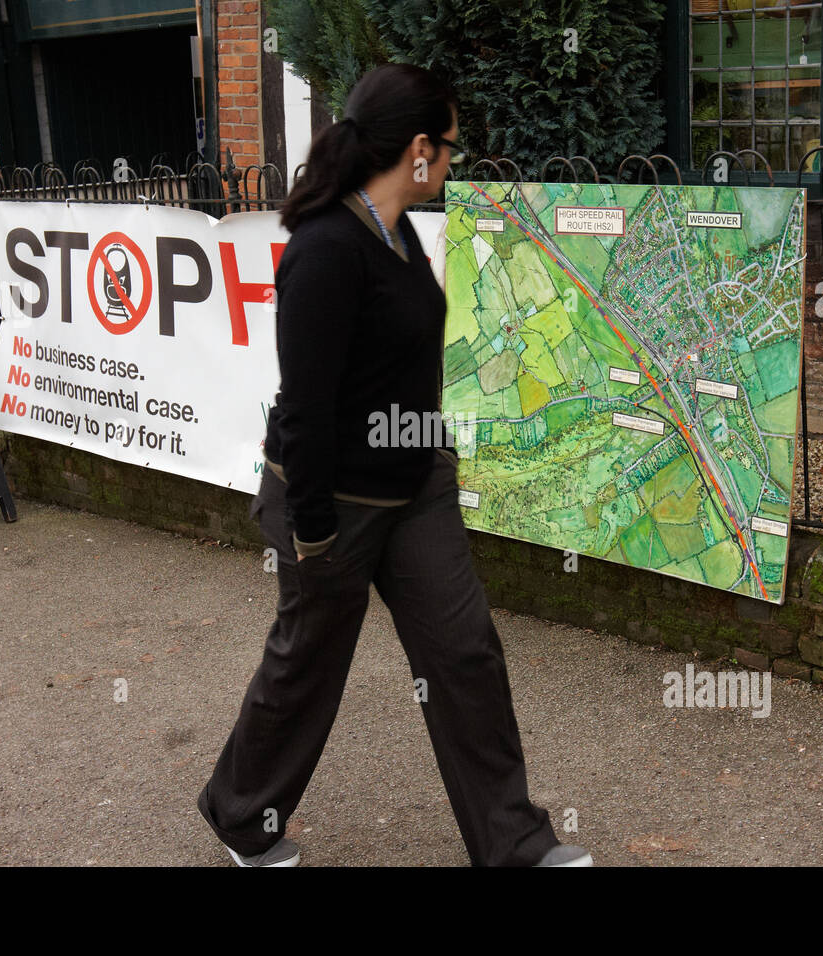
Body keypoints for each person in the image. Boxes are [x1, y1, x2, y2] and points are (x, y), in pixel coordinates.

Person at [196, 63, 592, 868]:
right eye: (447, 146)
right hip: (332, 507)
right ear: (417, 148)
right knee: (306, 668)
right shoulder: (327, 249)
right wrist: (310, 536)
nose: (451, 162)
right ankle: (241, 814)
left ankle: (513, 840)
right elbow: (304, 407)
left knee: (465, 654)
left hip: (415, 491)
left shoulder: (398, 228)